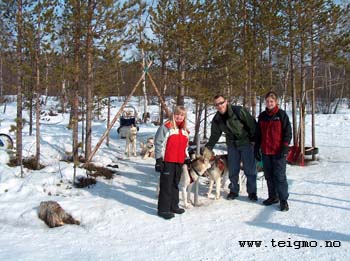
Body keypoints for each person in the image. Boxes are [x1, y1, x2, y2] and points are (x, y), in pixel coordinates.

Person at [203, 95, 258, 201]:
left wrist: (254, 140)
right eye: (217, 104)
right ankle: (233, 190)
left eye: (221, 103)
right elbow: (215, 135)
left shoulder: (238, 111)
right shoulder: (217, 119)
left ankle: (252, 192)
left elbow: (252, 125)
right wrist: (208, 147)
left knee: (249, 169)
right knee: (233, 168)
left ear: (226, 102)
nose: (220, 106)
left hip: (246, 143)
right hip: (232, 145)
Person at [254, 91, 292, 211]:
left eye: (272, 101)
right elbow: (258, 134)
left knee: (280, 177)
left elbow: (288, 132)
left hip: (278, 152)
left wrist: (285, 147)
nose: (269, 103)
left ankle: (283, 200)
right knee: (269, 176)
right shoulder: (262, 116)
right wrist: (256, 148)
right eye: (267, 101)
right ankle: (273, 196)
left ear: (276, 102)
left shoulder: (281, 115)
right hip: (266, 151)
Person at [154, 106, 190, 220]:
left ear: (184, 117)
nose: (179, 117)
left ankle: (174, 206)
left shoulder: (185, 131)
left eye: (182, 115)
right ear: (173, 115)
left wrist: (186, 157)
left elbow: (185, 147)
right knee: (166, 185)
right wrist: (159, 160)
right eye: (177, 114)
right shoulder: (166, 127)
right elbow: (158, 143)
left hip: (179, 161)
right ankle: (163, 209)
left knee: (175, 184)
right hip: (167, 161)